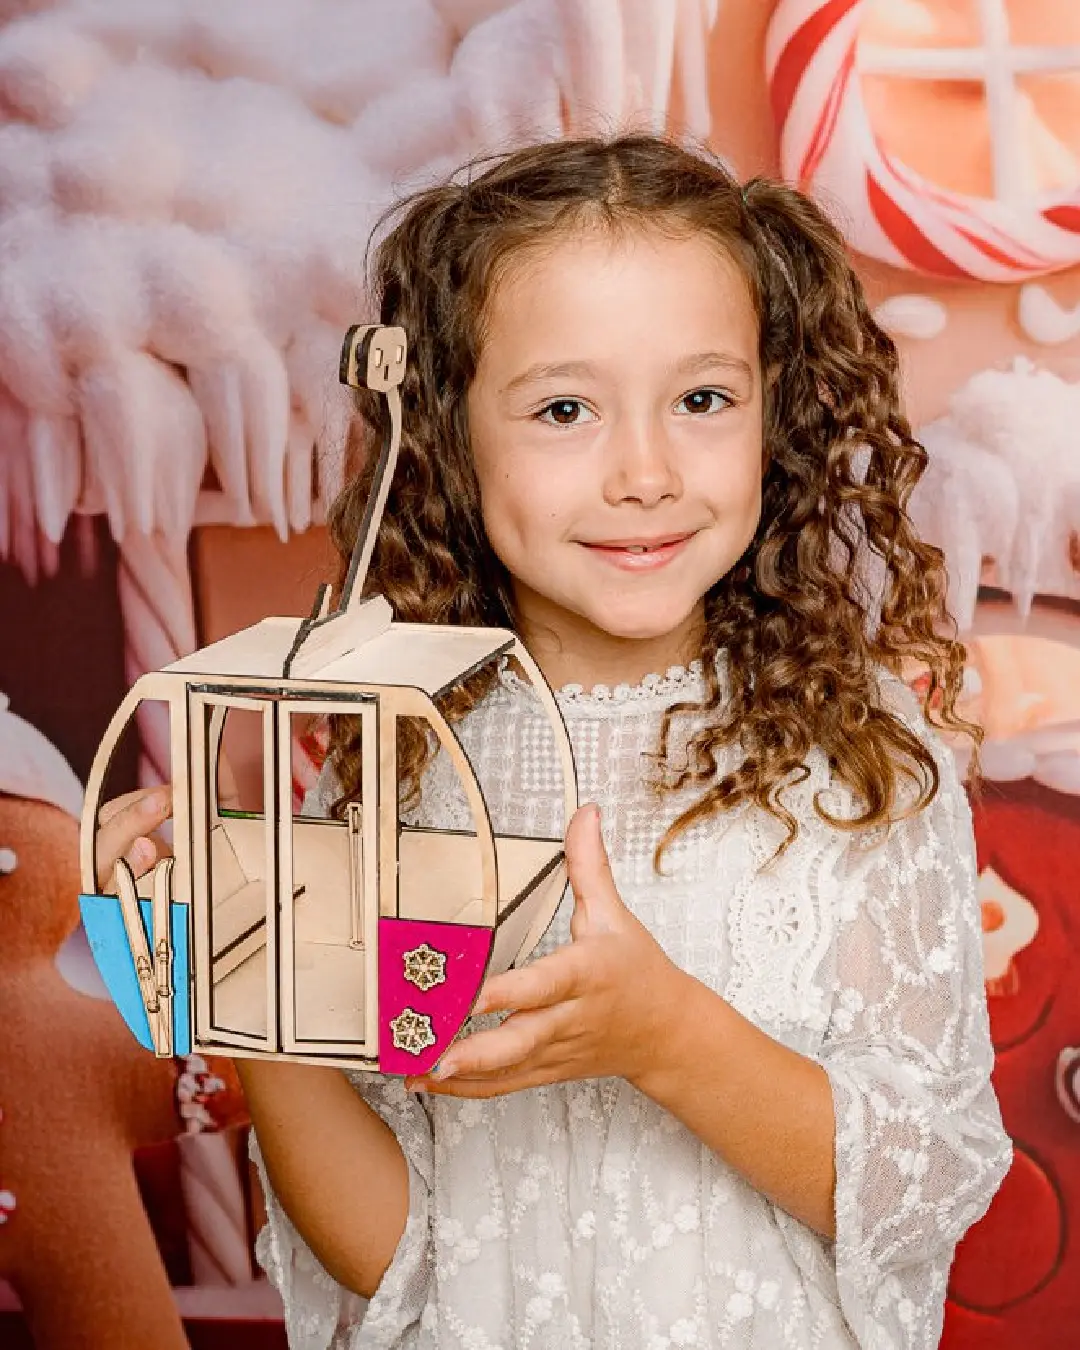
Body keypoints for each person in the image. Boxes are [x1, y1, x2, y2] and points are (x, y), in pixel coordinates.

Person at [97, 135, 1012, 1350]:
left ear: (772, 410)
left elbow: (927, 1189)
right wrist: (238, 979)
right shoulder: (403, 761)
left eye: (702, 399)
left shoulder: (853, 765)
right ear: (449, 440)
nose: (645, 471)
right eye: (565, 408)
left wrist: (667, 1038)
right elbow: (398, 1261)